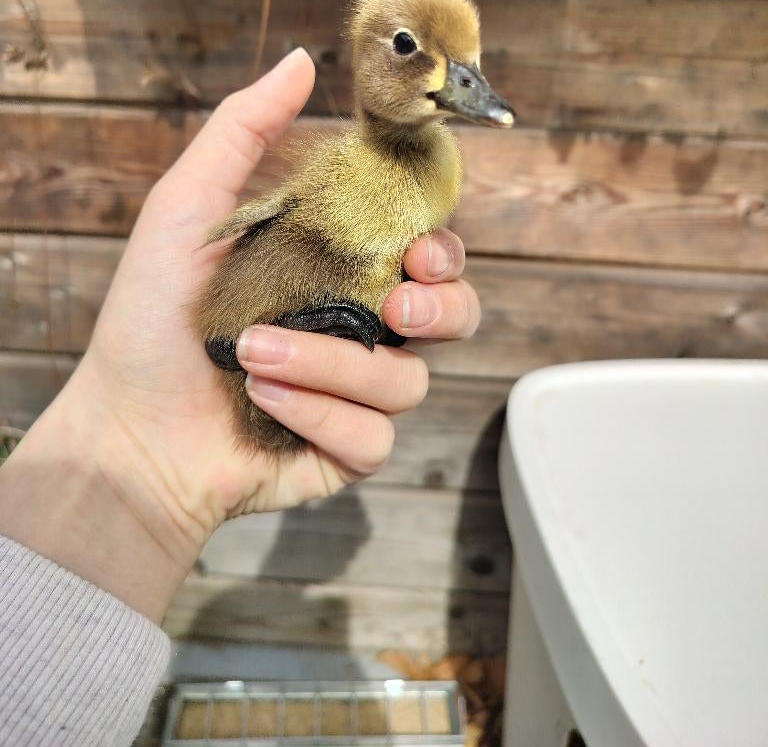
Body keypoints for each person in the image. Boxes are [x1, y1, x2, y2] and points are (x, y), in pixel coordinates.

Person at [0, 50, 481, 747]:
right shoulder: (353, 174)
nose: (461, 80)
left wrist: (142, 494)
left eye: (466, 63)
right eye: (416, 49)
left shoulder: (394, 169)